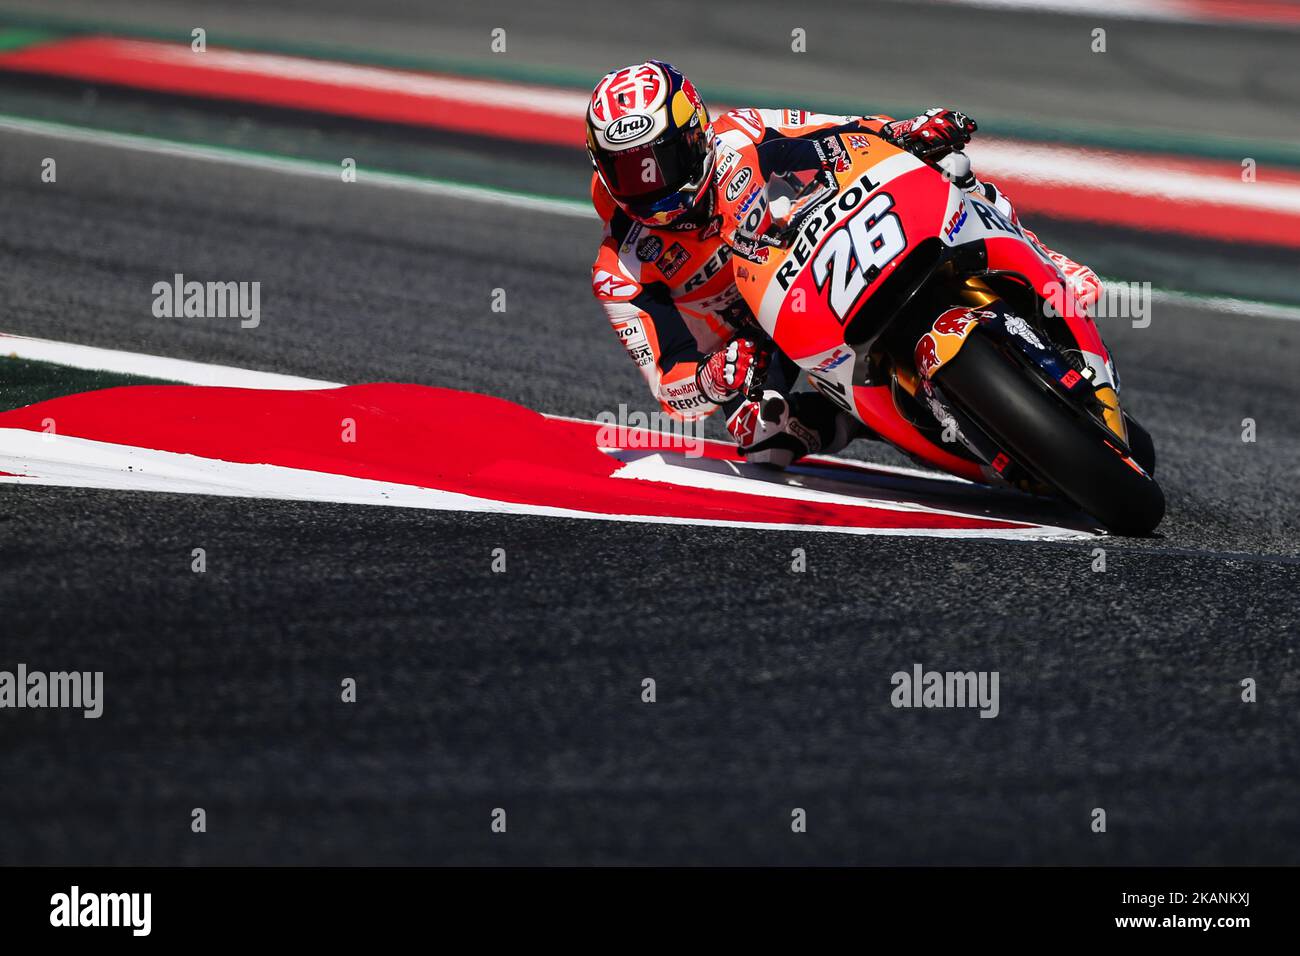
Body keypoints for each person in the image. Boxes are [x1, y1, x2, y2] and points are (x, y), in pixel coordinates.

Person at [588, 60, 1101, 466]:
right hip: (756, 345)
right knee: (761, 438)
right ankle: (861, 417)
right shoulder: (622, 269)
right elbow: (669, 388)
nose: (652, 186)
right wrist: (713, 379)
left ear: (696, 134)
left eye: (662, 160)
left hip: (813, 254)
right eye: (631, 173)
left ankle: (1041, 256)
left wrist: (905, 132)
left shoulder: (740, 135)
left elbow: (842, 133)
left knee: (946, 162)